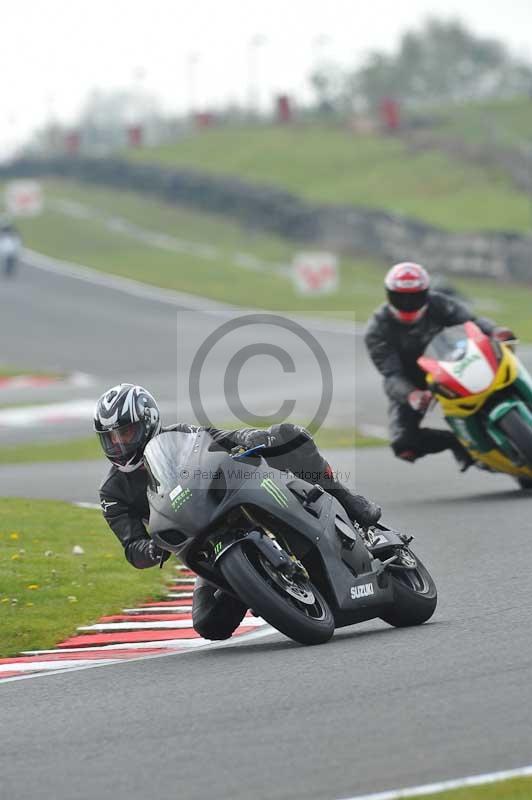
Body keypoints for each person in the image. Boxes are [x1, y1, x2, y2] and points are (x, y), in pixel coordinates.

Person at [94, 383, 382, 640]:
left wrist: (254, 439)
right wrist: (152, 548)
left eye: (125, 433)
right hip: (202, 545)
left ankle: (349, 502)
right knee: (210, 625)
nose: (118, 444)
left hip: (232, 503)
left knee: (288, 435)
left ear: (148, 422)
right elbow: (132, 546)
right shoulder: (113, 492)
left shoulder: (181, 435)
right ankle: (257, 586)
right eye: (111, 438)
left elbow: (222, 438)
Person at [364, 262, 515, 469]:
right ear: (389, 295)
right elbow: (391, 374)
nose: (408, 303)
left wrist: (495, 331)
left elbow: (471, 322)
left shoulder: (439, 303)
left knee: (503, 363)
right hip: (415, 379)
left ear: (425, 293)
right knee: (403, 444)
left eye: (414, 296)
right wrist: (411, 394)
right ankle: (459, 444)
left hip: (456, 359)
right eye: (401, 296)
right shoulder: (376, 330)